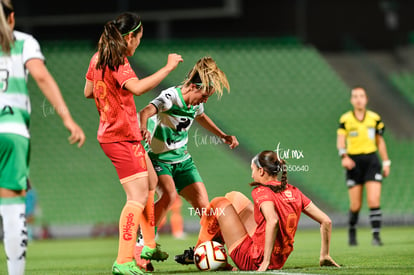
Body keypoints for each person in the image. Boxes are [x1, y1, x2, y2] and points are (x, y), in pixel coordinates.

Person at [83, 12, 182, 275]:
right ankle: (123, 261)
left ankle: (148, 245)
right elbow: (137, 89)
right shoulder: (118, 60)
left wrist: (112, 103)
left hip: (122, 134)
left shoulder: (98, 58)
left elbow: (88, 91)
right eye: (138, 38)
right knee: (136, 198)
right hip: (120, 138)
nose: (138, 43)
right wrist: (168, 68)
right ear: (129, 37)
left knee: (151, 183)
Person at [0, 1, 85, 274]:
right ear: (11, 17)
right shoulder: (24, 42)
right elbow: (42, 77)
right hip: (12, 132)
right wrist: (67, 118)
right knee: (13, 205)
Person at [138, 56, 238, 264]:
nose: (205, 100)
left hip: (183, 161)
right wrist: (142, 127)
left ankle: (207, 255)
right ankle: (143, 243)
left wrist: (222, 135)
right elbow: (145, 111)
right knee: (169, 196)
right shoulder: (171, 96)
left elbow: (201, 116)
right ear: (193, 86)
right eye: (204, 95)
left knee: (205, 208)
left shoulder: (196, 103)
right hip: (160, 159)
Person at [195, 150, 340, 271]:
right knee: (234, 197)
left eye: (253, 170)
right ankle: (211, 250)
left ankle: (199, 252)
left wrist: (265, 262)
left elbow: (273, 221)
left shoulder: (261, 191)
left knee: (218, 203)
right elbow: (326, 221)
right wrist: (324, 255)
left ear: (262, 171)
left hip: (253, 259)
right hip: (278, 259)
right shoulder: (294, 191)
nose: (252, 175)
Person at [337, 86, 390, 246]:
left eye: (361, 96)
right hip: (354, 162)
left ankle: (376, 237)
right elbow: (340, 141)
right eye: (355, 96)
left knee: (374, 200)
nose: (358, 99)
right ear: (351, 100)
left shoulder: (374, 118)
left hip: (371, 161)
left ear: (366, 99)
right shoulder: (345, 119)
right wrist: (344, 157)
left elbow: (380, 142)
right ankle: (352, 231)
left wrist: (386, 162)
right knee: (356, 204)